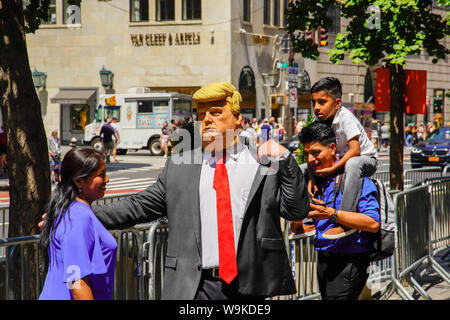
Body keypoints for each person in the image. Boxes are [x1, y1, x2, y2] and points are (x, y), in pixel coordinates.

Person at [62, 81, 309, 300]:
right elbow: (137, 206)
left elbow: (296, 209)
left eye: (215, 112)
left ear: (237, 119)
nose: (208, 120)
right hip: (196, 286)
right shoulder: (180, 166)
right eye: (202, 115)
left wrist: (286, 160)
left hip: (249, 285)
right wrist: (75, 211)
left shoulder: (261, 164)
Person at [299, 122, 380, 300]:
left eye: (315, 152)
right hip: (324, 259)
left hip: (349, 262)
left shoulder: (353, 179)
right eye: (307, 155)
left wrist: (331, 214)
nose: (311, 159)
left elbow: (372, 223)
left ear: (333, 148)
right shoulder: (315, 181)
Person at [39, 147, 116, 300]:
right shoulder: (78, 217)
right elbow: (76, 283)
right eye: (101, 175)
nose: (107, 179)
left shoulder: (72, 211)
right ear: (79, 181)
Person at [306, 77, 378, 239]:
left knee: (352, 164)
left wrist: (333, 168)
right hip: (341, 161)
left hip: (365, 160)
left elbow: (355, 150)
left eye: (322, 102)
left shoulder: (346, 117)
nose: (316, 108)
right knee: (302, 167)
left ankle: (345, 221)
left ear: (337, 103)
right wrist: (311, 177)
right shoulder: (319, 121)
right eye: (314, 103)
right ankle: (303, 220)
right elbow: (310, 151)